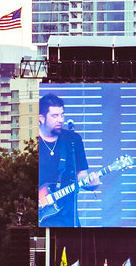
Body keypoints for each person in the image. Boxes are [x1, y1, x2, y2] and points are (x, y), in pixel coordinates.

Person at [36, 93, 98, 228]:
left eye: (62, 115)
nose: (60, 120)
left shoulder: (73, 140)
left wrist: (91, 184)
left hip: (68, 218)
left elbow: (81, 174)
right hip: (40, 219)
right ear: (41, 118)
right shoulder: (32, 143)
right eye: (55, 116)